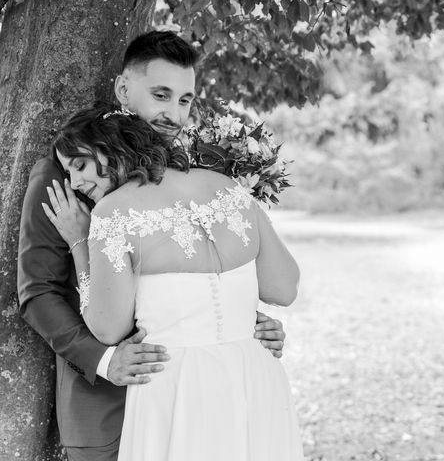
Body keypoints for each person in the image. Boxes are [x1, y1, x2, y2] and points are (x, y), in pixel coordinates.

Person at [17, 31, 287, 461]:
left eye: (184, 100)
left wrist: (246, 320)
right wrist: (105, 360)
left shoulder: (190, 173)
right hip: (105, 398)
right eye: (161, 95)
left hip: (195, 396)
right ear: (124, 89)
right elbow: (38, 291)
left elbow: (202, 273)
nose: (173, 114)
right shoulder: (65, 172)